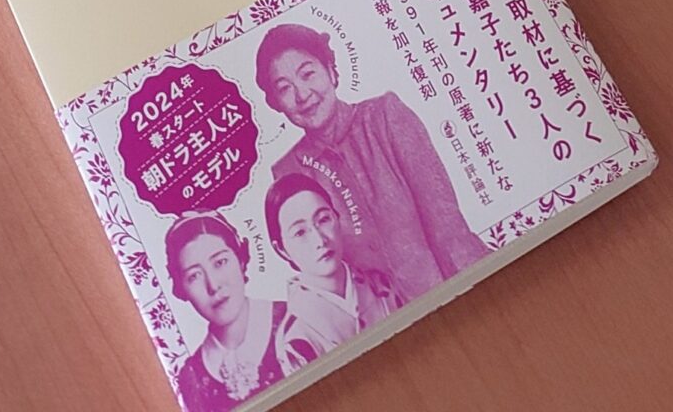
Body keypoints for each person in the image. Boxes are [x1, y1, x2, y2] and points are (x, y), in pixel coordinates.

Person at [254, 23, 487, 306]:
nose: (302, 95)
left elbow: (447, 227)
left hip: (451, 292)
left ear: (331, 71)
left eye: (308, 74)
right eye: (284, 88)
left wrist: (479, 292)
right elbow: (323, 276)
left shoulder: (386, 117)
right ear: (276, 103)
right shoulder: (288, 172)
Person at [265, 171, 398, 368]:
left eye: (324, 220)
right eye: (300, 232)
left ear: (337, 217)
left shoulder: (381, 284)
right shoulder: (294, 338)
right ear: (282, 250)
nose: (320, 240)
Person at [165, 215, 290, 411]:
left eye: (220, 262)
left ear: (241, 260)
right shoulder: (191, 377)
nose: (213, 285)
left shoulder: (296, 318)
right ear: (181, 289)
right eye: (194, 276)